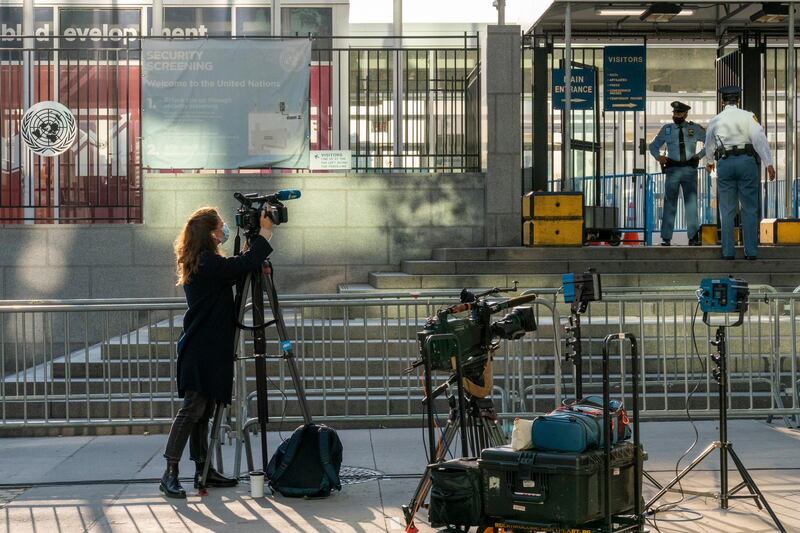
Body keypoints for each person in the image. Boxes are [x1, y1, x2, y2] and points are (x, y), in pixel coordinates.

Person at [160, 206, 274, 499]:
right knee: (192, 411)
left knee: (204, 413)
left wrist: (252, 252)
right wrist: (264, 233)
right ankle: (169, 472)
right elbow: (240, 265)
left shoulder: (206, 262)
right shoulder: (206, 263)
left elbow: (240, 266)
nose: (224, 231)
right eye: (221, 227)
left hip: (209, 348)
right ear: (210, 233)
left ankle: (203, 468)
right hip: (200, 349)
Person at [705, 85, 776, 260]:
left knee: (727, 210)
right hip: (746, 162)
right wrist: (769, 163)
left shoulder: (716, 120)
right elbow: (759, 139)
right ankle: (751, 252)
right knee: (749, 208)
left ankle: (728, 252)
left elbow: (709, 143)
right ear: (738, 100)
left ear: (723, 101)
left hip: (725, 163)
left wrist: (709, 162)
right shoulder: (748, 117)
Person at [648, 101, 705, 246]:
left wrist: (700, 155)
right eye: (674, 113)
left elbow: (709, 141)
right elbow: (653, 145)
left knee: (691, 204)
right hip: (672, 170)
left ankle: (693, 237)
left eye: (679, 113)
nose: (676, 115)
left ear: (686, 114)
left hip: (689, 170)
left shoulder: (695, 128)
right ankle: (666, 238)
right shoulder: (667, 129)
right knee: (669, 203)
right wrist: (658, 156)